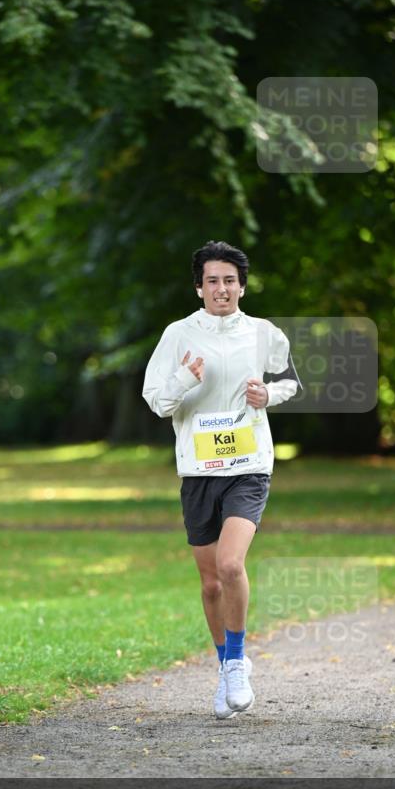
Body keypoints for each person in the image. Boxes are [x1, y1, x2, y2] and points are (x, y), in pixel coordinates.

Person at [142, 240, 300, 719]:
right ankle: (225, 664)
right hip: (197, 470)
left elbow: (291, 381)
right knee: (210, 583)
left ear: (242, 286)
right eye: (212, 280)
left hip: (249, 465)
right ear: (198, 287)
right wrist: (185, 380)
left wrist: (267, 393)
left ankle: (237, 664)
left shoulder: (262, 333)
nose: (221, 289)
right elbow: (155, 400)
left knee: (231, 565)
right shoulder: (177, 335)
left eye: (230, 280)